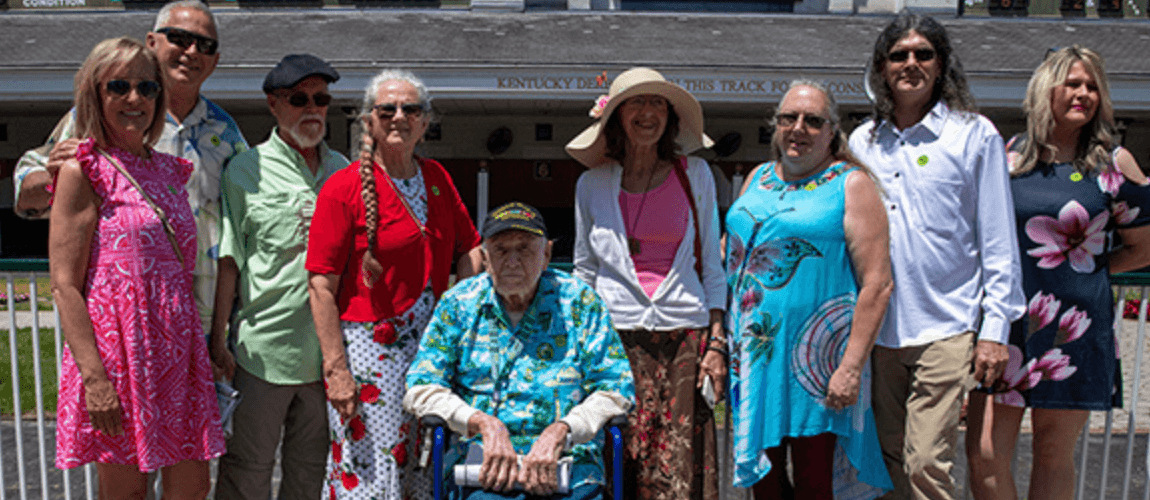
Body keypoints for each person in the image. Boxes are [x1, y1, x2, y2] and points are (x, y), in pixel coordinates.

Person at [848, 12, 1026, 500]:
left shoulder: (974, 135)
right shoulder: (863, 141)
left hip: (948, 326)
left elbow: (997, 241)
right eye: (899, 55)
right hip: (881, 331)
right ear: (882, 68)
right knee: (887, 464)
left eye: (923, 54)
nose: (911, 63)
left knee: (926, 461)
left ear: (941, 64)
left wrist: (995, 332)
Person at [965, 46, 1150, 500]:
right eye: (1073, 83)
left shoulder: (1114, 163)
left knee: (1053, 452)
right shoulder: (1005, 158)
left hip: (1076, 326)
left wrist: (1089, 270)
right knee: (984, 452)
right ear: (1045, 88)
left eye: (1092, 86)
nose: (1083, 93)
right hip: (1003, 326)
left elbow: (1143, 245)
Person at [49, 36, 224, 499]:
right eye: (119, 86)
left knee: (192, 488)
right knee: (125, 493)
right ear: (95, 92)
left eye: (147, 88)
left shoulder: (169, 172)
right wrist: (95, 379)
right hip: (119, 356)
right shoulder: (83, 168)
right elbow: (65, 285)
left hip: (178, 353)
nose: (134, 99)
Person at [14, 0, 247, 335]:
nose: (192, 51)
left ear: (216, 61)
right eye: (179, 38)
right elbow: (29, 181)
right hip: (126, 321)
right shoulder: (105, 116)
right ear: (152, 43)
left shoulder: (227, 133)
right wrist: (57, 178)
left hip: (205, 325)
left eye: (206, 45)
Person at [306, 68, 483, 499]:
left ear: (425, 122)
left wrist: (465, 309)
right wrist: (337, 372)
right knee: (373, 463)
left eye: (411, 109)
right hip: (372, 348)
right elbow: (320, 286)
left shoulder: (437, 179)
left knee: (429, 456)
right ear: (369, 121)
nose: (399, 116)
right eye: (387, 109)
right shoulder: (342, 187)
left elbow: (470, 248)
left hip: (434, 344)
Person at [726, 80, 893, 499]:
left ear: (832, 130)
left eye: (813, 121)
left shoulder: (850, 183)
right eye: (789, 118)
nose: (799, 128)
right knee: (764, 485)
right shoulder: (757, 177)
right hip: (754, 356)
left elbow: (877, 283)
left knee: (814, 483)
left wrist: (851, 367)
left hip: (814, 360)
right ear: (776, 125)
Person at [566, 67, 726, 500]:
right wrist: (580, 344)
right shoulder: (592, 184)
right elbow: (583, 270)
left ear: (670, 118)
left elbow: (712, 262)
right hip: (615, 340)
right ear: (615, 116)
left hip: (684, 341)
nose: (647, 113)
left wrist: (716, 344)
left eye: (657, 103)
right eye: (636, 103)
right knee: (623, 454)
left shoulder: (695, 175)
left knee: (677, 462)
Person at [404, 202, 636, 500]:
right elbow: (420, 387)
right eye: (501, 250)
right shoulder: (459, 304)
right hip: (483, 465)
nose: (512, 261)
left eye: (525, 249)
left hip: (567, 463)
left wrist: (562, 431)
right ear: (485, 259)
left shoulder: (580, 302)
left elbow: (617, 388)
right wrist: (481, 423)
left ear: (547, 256)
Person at [210, 54, 349, 500]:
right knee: (247, 473)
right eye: (299, 98)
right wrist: (218, 340)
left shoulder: (344, 172)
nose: (312, 108)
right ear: (273, 105)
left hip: (326, 359)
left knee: (309, 475)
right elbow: (229, 261)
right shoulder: (244, 171)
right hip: (262, 354)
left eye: (321, 98)